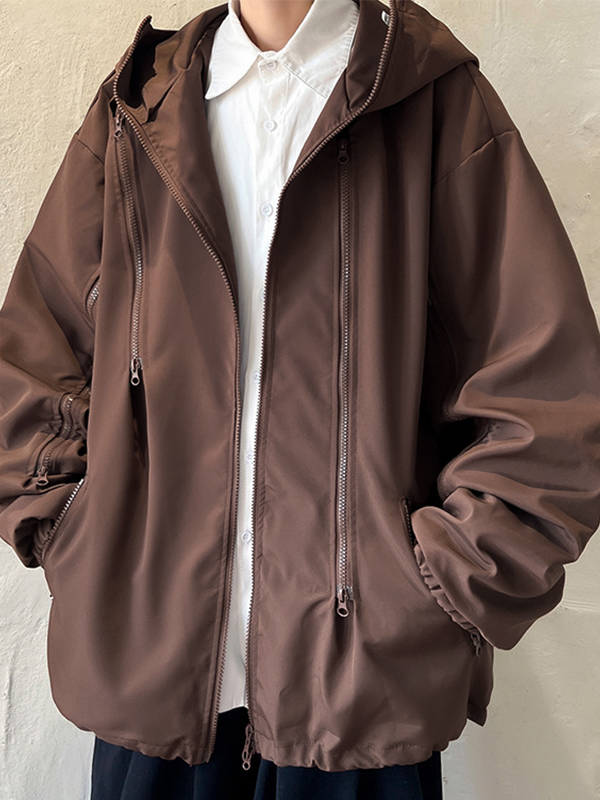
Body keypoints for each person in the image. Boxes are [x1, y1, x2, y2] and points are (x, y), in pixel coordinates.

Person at [1, 0, 599, 798]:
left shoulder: (431, 100)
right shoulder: (137, 110)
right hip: (152, 682)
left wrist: (432, 593)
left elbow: (549, 400)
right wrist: (83, 537)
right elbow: (30, 366)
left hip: (361, 699)